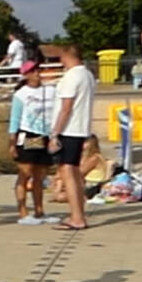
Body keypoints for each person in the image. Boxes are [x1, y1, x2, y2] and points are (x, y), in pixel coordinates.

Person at [47, 43, 97, 230]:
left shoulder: (71, 77)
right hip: (81, 129)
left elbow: (66, 108)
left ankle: (77, 217)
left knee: (68, 172)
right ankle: (78, 214)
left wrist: (55, 134)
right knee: (74, 172)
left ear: (67, 56)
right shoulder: (88, 75)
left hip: (69, 130)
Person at [8, 60, 58, 224]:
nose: (37, 73)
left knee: (40, 174)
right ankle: (22, 210)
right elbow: (15, 119)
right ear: (26, 75)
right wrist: (12, 142)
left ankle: (39, 210)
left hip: (45, 134)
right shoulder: (22, 94)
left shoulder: (50, 91)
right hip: (29, 133)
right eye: (33, 71)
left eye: (38, 70)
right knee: (26, 171)